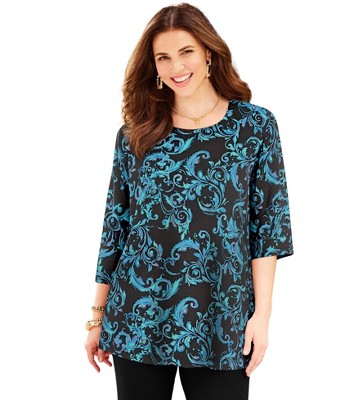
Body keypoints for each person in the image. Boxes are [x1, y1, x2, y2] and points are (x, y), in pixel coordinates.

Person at [85, 3, 294, 400]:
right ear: (154, 66)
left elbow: (268, 227)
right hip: (137, 313)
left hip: (222, 315)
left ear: (209, 54)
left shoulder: (254, 127)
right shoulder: (135, 134)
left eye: (186, 52)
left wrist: (262, 316)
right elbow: (116, 229)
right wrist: (97, 317)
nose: (176, 67)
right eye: (163, 57)